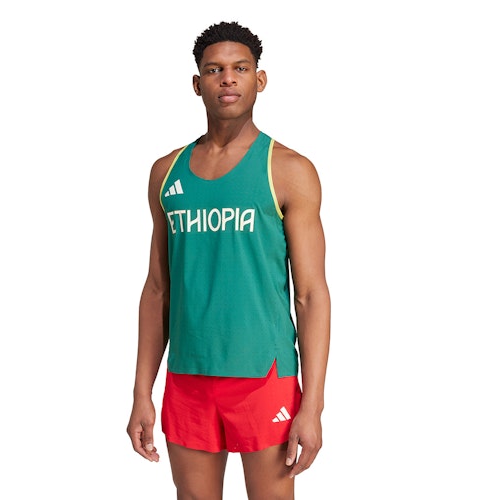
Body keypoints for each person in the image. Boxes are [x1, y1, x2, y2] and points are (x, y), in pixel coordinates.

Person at [127, 21, 331, 499]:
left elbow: (310, 294)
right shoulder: (166, 172)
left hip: (265, 377)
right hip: (188, 377)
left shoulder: (289, 170)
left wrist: (313, 405)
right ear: (197, 84)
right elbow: (157, 289)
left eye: (240, 68)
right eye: (214, 70)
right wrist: (141, 391)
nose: (227, 79)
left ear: (260, 80)